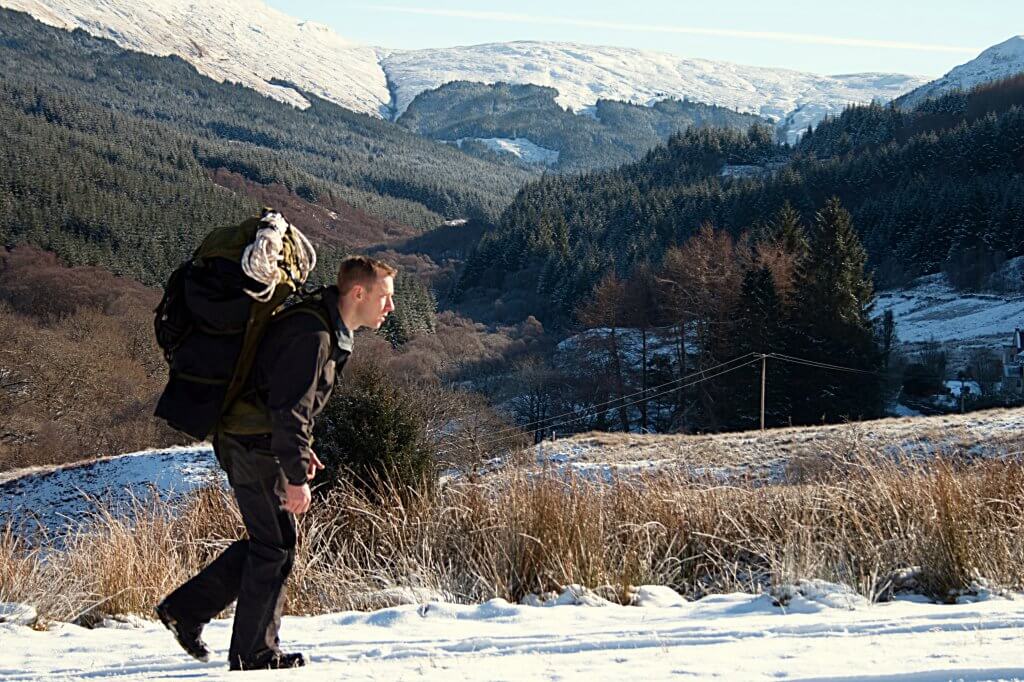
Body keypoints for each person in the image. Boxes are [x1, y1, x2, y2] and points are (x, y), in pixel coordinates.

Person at [155, 255, 396, 671]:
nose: (390, 308)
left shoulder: (322, 327)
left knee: (272, 543)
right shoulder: (314, 335)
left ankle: (189, 611)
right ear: (359, 293)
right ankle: (252, 652)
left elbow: (287, 403)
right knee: (275, 547)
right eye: (385, 297)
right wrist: (296, 476)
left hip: (254, 440)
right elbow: (289, 412)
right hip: (252, 445)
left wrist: (301, 451)